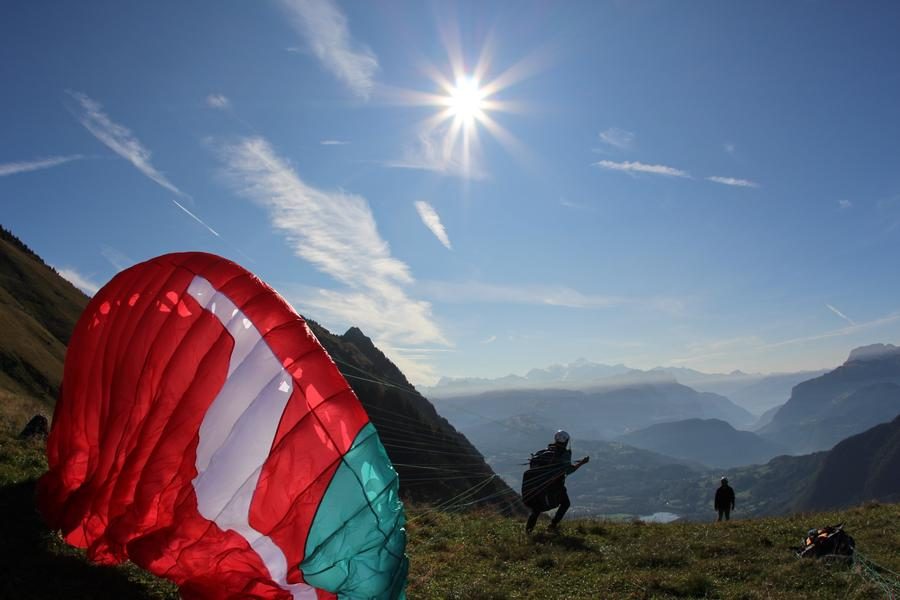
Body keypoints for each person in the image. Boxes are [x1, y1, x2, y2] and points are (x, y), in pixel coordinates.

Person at [524, 430, 589, 534]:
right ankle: (553, 525)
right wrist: (582, 463)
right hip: (555, 486)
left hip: (540, 486)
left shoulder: (543, 452)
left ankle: (528, 532)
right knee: (565, 503)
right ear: (566, 441)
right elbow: (569, 470)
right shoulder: (564, 454)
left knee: (536, 509)